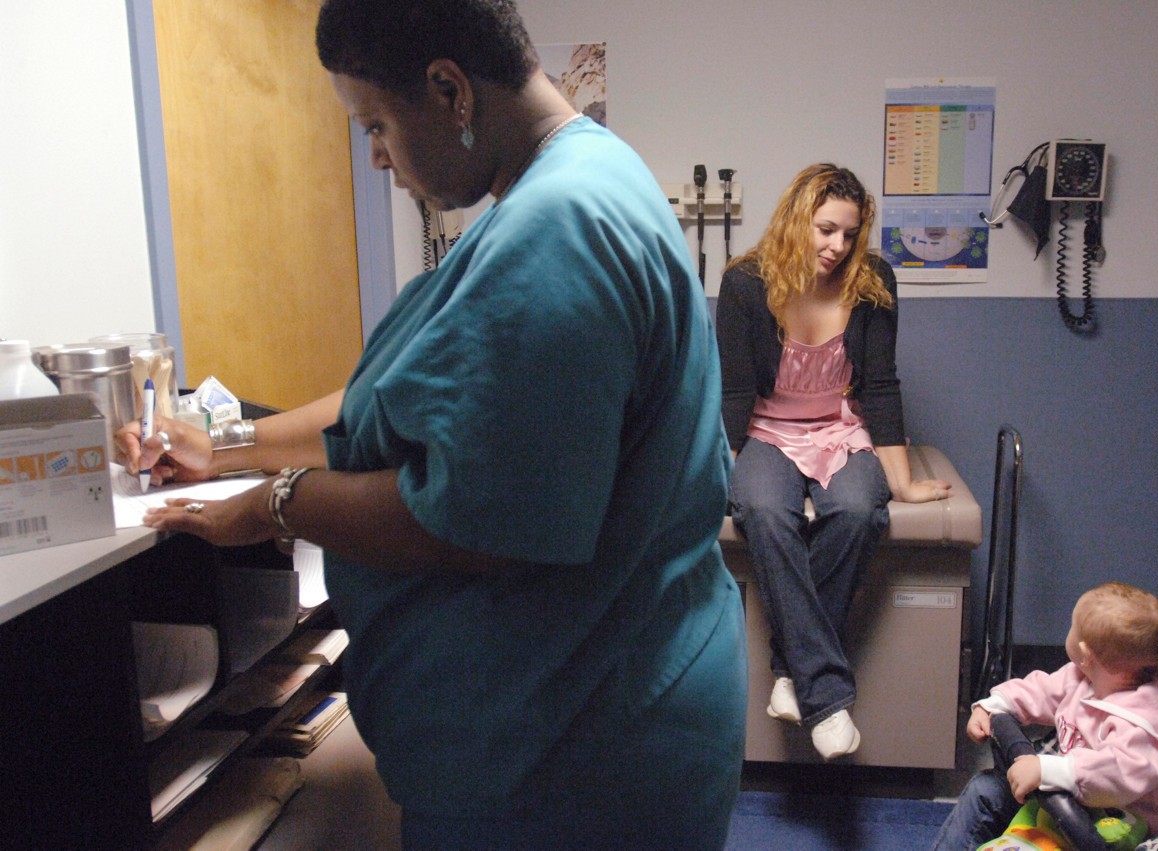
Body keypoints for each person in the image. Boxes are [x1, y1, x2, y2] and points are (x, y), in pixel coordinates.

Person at [118, 0, 747, 847]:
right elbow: (425, 391)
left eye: (375, 122)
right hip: (602, 701)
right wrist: (229, 443)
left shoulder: (555, 227)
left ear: (450, 88)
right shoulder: (579, 179)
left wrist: (275, 504)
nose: (375, 155)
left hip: (580, 747)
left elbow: (483, 519)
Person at [716, 163, 953, 760]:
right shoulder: (746, 283)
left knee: (854, 509)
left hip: (842, 432)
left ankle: (794, 672)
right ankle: (830, 697)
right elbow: (736, 390)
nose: (837, 247)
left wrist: (901, 483)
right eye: (825, 230)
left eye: (849, 234)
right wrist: (729, 476)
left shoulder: (873, 281)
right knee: (766, 511)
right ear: (798, 220)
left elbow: (880, 386)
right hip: (768, 432)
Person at [930, 581, 1158, 849]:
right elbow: (1042, 690)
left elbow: (1117, 774)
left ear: (1084, 651)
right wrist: (994, 706)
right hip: (1070, 803)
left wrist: (1051, 770)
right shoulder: (1083, 677)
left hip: (1122, 827)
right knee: (986, 790)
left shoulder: (1147, 720)